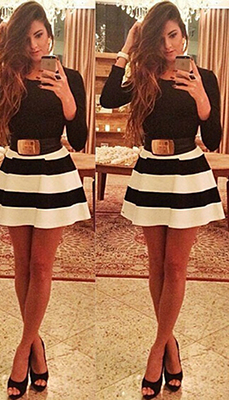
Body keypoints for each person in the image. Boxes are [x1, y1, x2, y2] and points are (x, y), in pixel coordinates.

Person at [0, 1, 90, 398]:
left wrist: (67, 98)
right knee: (22, 264)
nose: (34, 45)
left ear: (50, 36)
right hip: (17, 169)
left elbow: (81, 137)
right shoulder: (10, 74)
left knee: (41, 264)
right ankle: (36, 346)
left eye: (39, 35)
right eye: (26, 38)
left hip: (53, 170)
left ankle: (22, 352)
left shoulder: (70, 76)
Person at [100, 1, 224, 399]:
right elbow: (108, 98)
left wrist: (202, 99)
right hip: (152, 169)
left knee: (175, 265)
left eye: (174, 35)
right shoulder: (145, 74)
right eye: (161, 37)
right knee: (156, 264)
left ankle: (157, 351)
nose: (169, 45)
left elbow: (214, 138)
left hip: (187, 170)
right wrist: (127, 48)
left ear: (184, 36)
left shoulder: (204, 77)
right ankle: (171, 347)